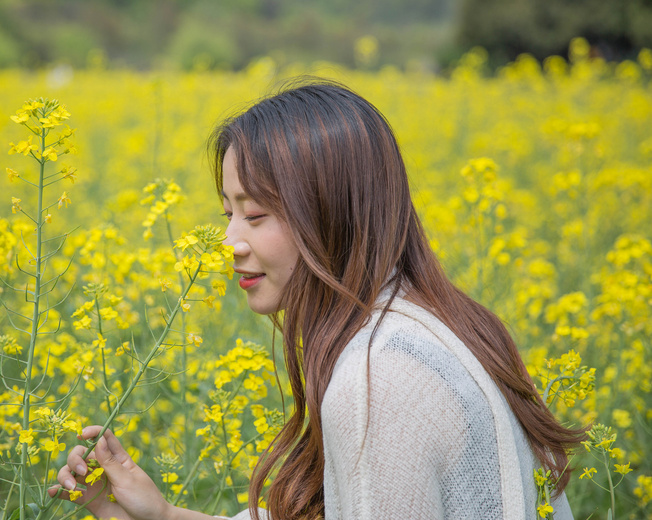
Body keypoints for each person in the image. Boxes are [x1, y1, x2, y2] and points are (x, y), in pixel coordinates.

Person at [49, 80, 583, 519]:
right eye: (227, 215)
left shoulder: (379, 379)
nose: (230, 243)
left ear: (328, 215)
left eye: (255, 215)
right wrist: (162, 516)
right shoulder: (431, 322)